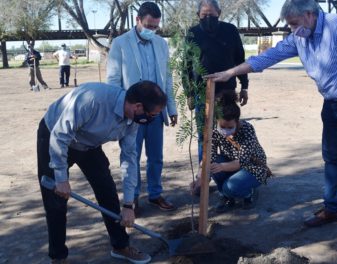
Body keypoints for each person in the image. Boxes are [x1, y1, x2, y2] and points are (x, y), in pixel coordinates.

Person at [206, 0, 337, 243]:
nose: (292, 29)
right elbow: (270, 56)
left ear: (309, 15)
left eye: (294, 23)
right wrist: (232, 72)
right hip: (330, 103)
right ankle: (330, 209)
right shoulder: (300, 36)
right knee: (331, 157)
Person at [37, 80, 166, 264]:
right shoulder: (92, 100)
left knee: (107, 190)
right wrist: (60, 176)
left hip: (88, 144)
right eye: (151, 115)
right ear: (138, 106)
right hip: (54, 135)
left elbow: (129, 159)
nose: (150, 120)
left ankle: (120, 246)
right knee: (56, 200)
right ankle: (58, 257)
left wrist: (129, 205)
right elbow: (60, 135)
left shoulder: (133, 119)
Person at [107, 2, 178, 213]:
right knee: (131, 156)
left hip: (156, 112)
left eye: (156, 27)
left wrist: (171, 108)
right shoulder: (120, 43)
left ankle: (155, 195)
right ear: (137, 20)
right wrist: (120, 110)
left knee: (156, 156)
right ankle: (133, 197)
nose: (152, 30)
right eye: (149, 25)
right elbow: (113, 81)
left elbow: (167, 79)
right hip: (133, 113)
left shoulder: (161, 44)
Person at [185, 0, 249, 163]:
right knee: (204, 136)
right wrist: (189, 94)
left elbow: (240, 60)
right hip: (201, 93)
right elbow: (186, 66)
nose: (208, 18)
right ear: (198, 15)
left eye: (211, 15)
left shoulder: (230, 31)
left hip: (227, 93)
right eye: (204, 15)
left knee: (229, 132)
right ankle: (204, 176)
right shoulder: (192, 33)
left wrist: (244, 86)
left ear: (219, 14)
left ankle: (229, 171)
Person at [191, 91, 271, 213]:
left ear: (237, 122)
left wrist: (221, 166)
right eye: (222, 127)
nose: (225, 131)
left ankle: (249, 193)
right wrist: (199, 178)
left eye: (230, 127)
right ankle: (227, 196)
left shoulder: (247, 129)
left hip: (252, 167)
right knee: (212, 164)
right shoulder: (214, 131)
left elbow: (243, 161)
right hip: (229, 164)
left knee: (230, 187)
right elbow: (208, 157)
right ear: (217, 121)